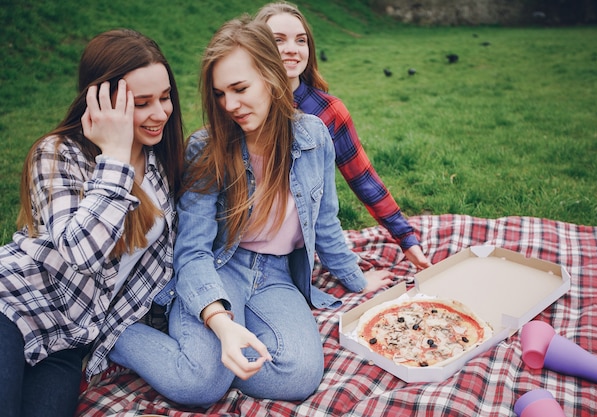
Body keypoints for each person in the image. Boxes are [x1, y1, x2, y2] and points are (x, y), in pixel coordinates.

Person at [108, 16, 392, 407]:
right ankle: (117, 337)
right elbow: (192, 251)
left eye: (240, 89)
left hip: (277, 276)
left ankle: (213, 362)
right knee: (200, 386)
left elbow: (325, 223)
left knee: (298, 376)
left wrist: (357, 280)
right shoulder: (206, 149)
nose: (230, 106)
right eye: (220, 94)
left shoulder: (313, 137)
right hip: (220, 268)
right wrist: (221, 323)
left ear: (272, 76)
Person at [0, 29, 185, 417]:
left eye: (165, 98)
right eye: (142, 102)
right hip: (13, 305)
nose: (160, 113)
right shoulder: (56, 155)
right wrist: (115, 155)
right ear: (101, 102)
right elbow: (80, 252)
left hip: (66, 341)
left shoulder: (161, 166)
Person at [255, 2, 432, 270]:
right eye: (278, 40)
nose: (292, 48)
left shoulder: (329, 111)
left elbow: (364, 179)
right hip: (245, 243)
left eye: (300, 40)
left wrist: (407, 239)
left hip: (300, 251)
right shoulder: (243, 107)